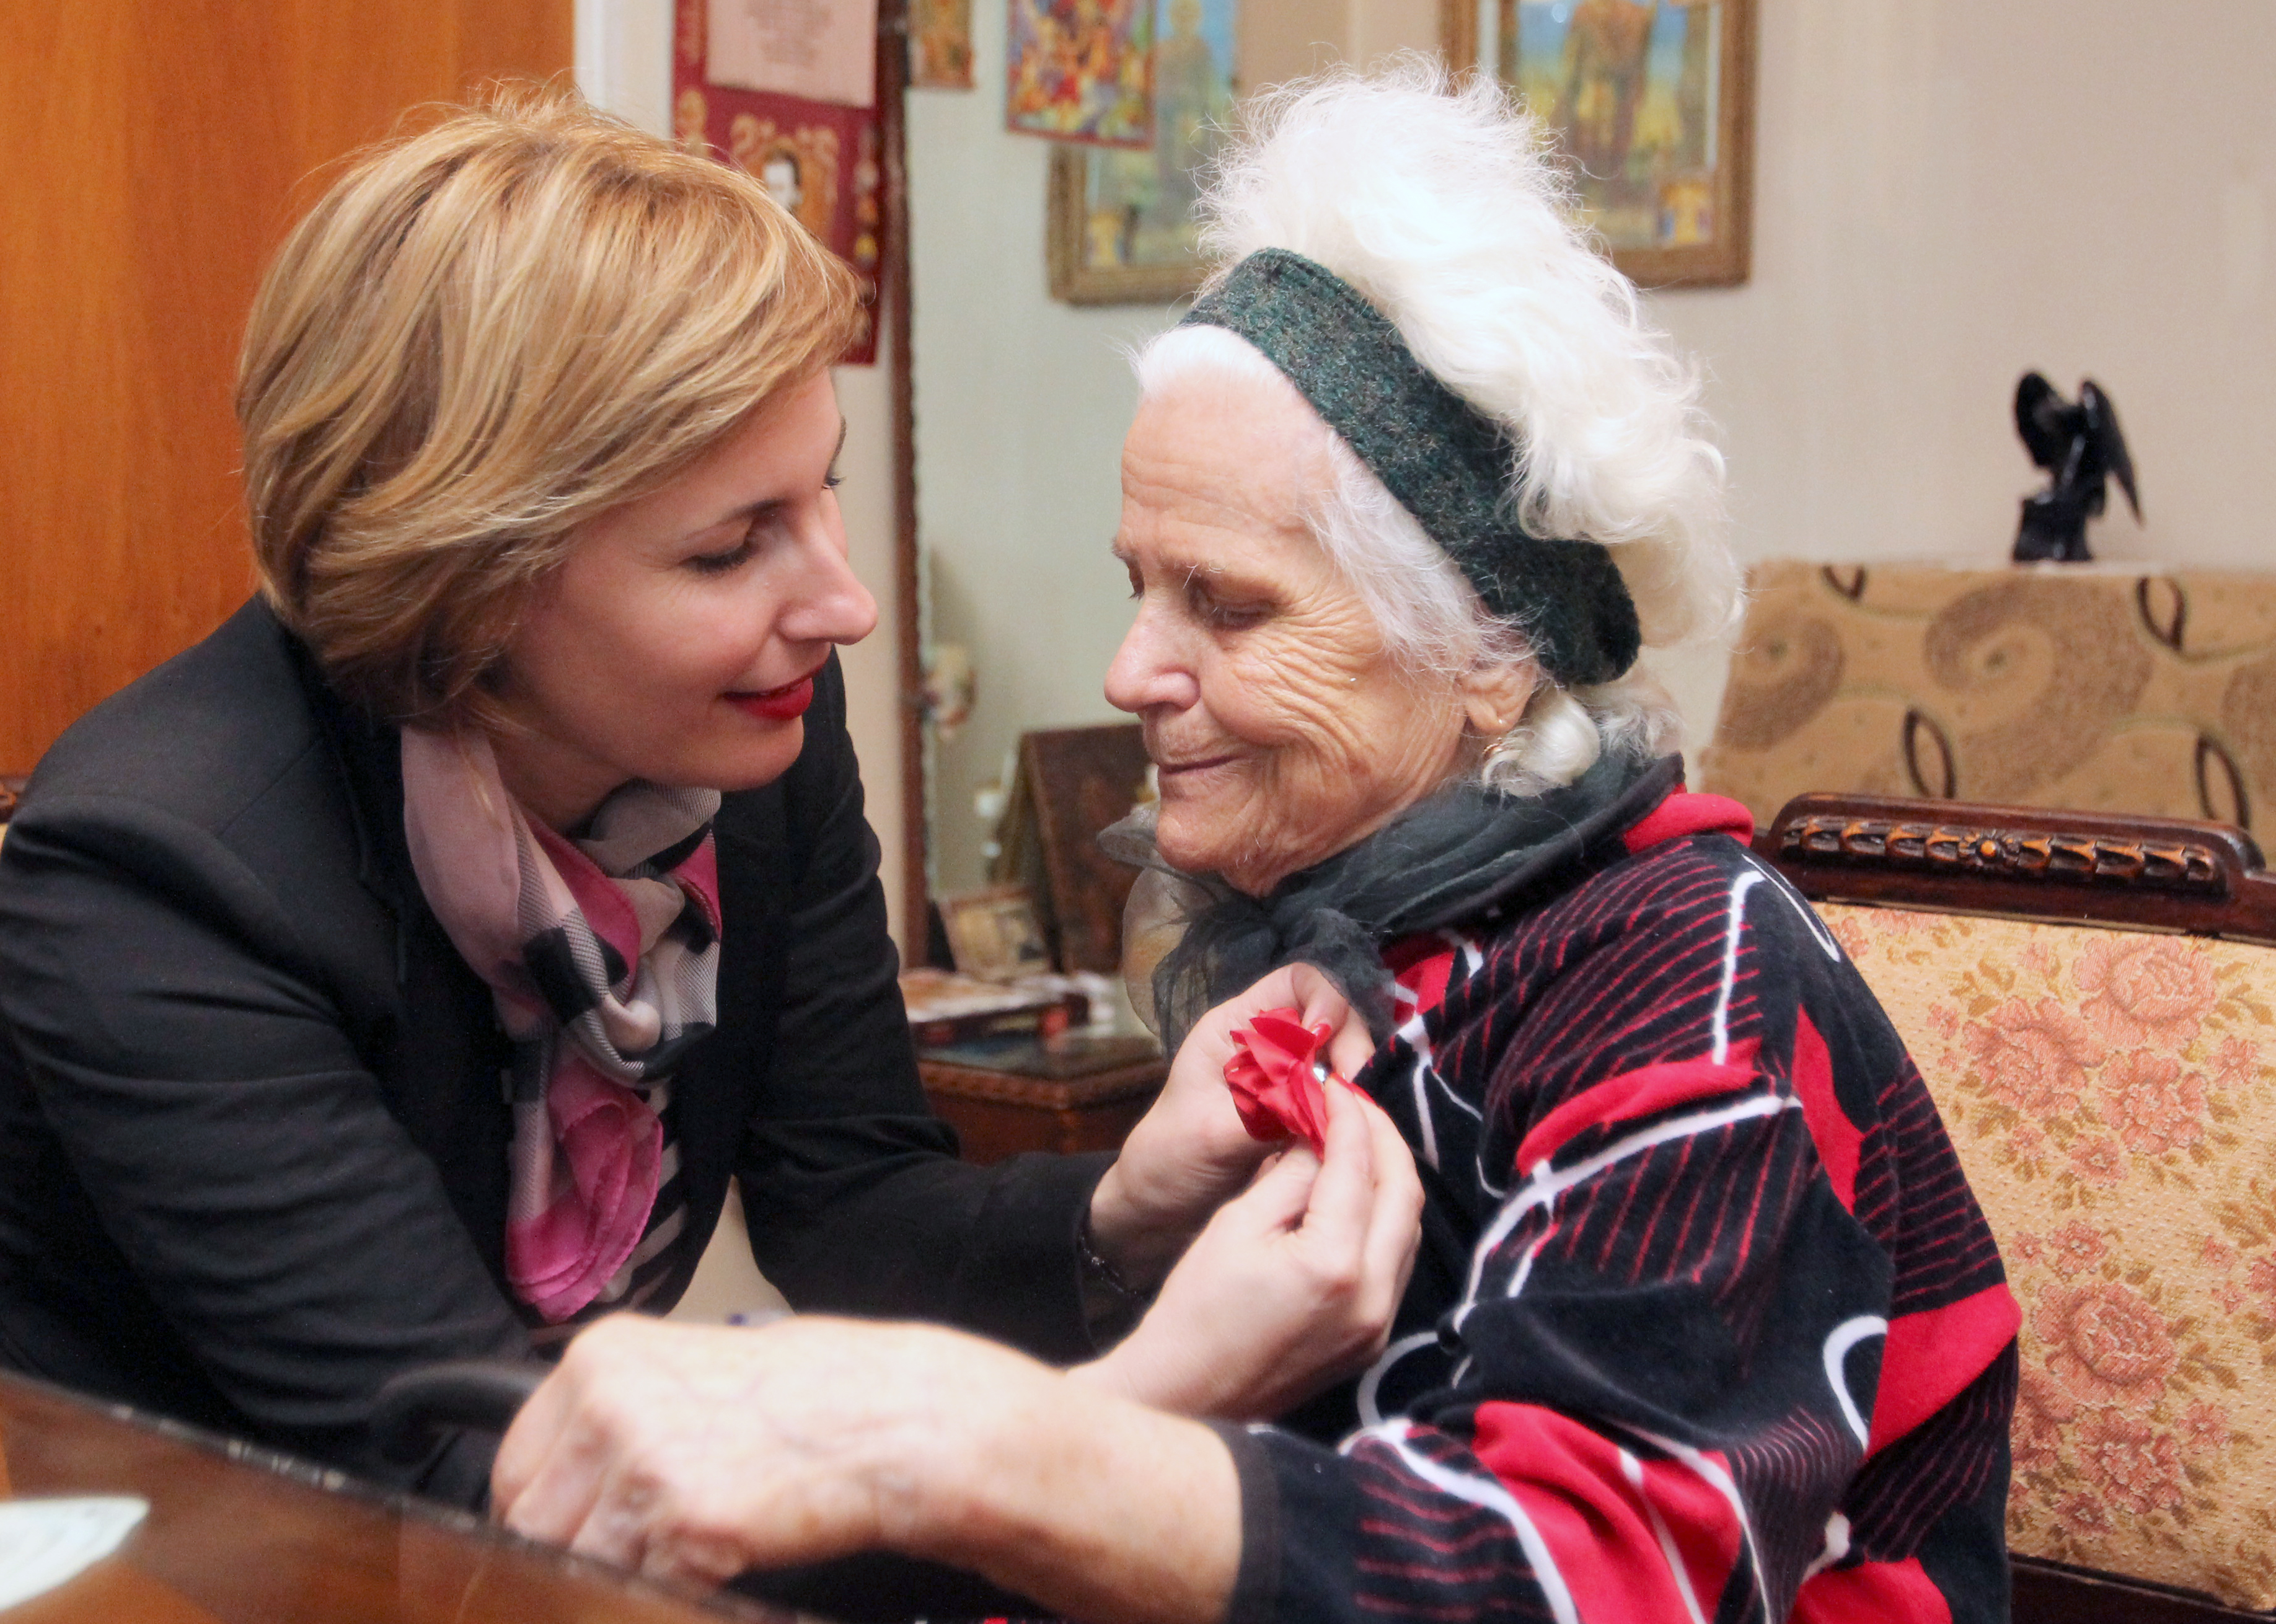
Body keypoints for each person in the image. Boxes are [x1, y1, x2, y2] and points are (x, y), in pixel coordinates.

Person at [490, 61, 2021, 1624]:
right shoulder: (1344, 949)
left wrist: (965, 1436)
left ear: (1489, 653)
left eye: (1226, 606)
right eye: (1139, 584)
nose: (1129, 671)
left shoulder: (1682, 984)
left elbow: (1582, 1575)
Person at [0, 88, 1418, 1517]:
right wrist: (1143, 1401)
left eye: (822, 494)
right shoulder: (156, 878)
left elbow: (861, 1221)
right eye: (734, 548)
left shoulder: (751, 755)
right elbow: (477, 1472)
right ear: (472, 578)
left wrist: (1135, 1199)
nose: (845, 602)